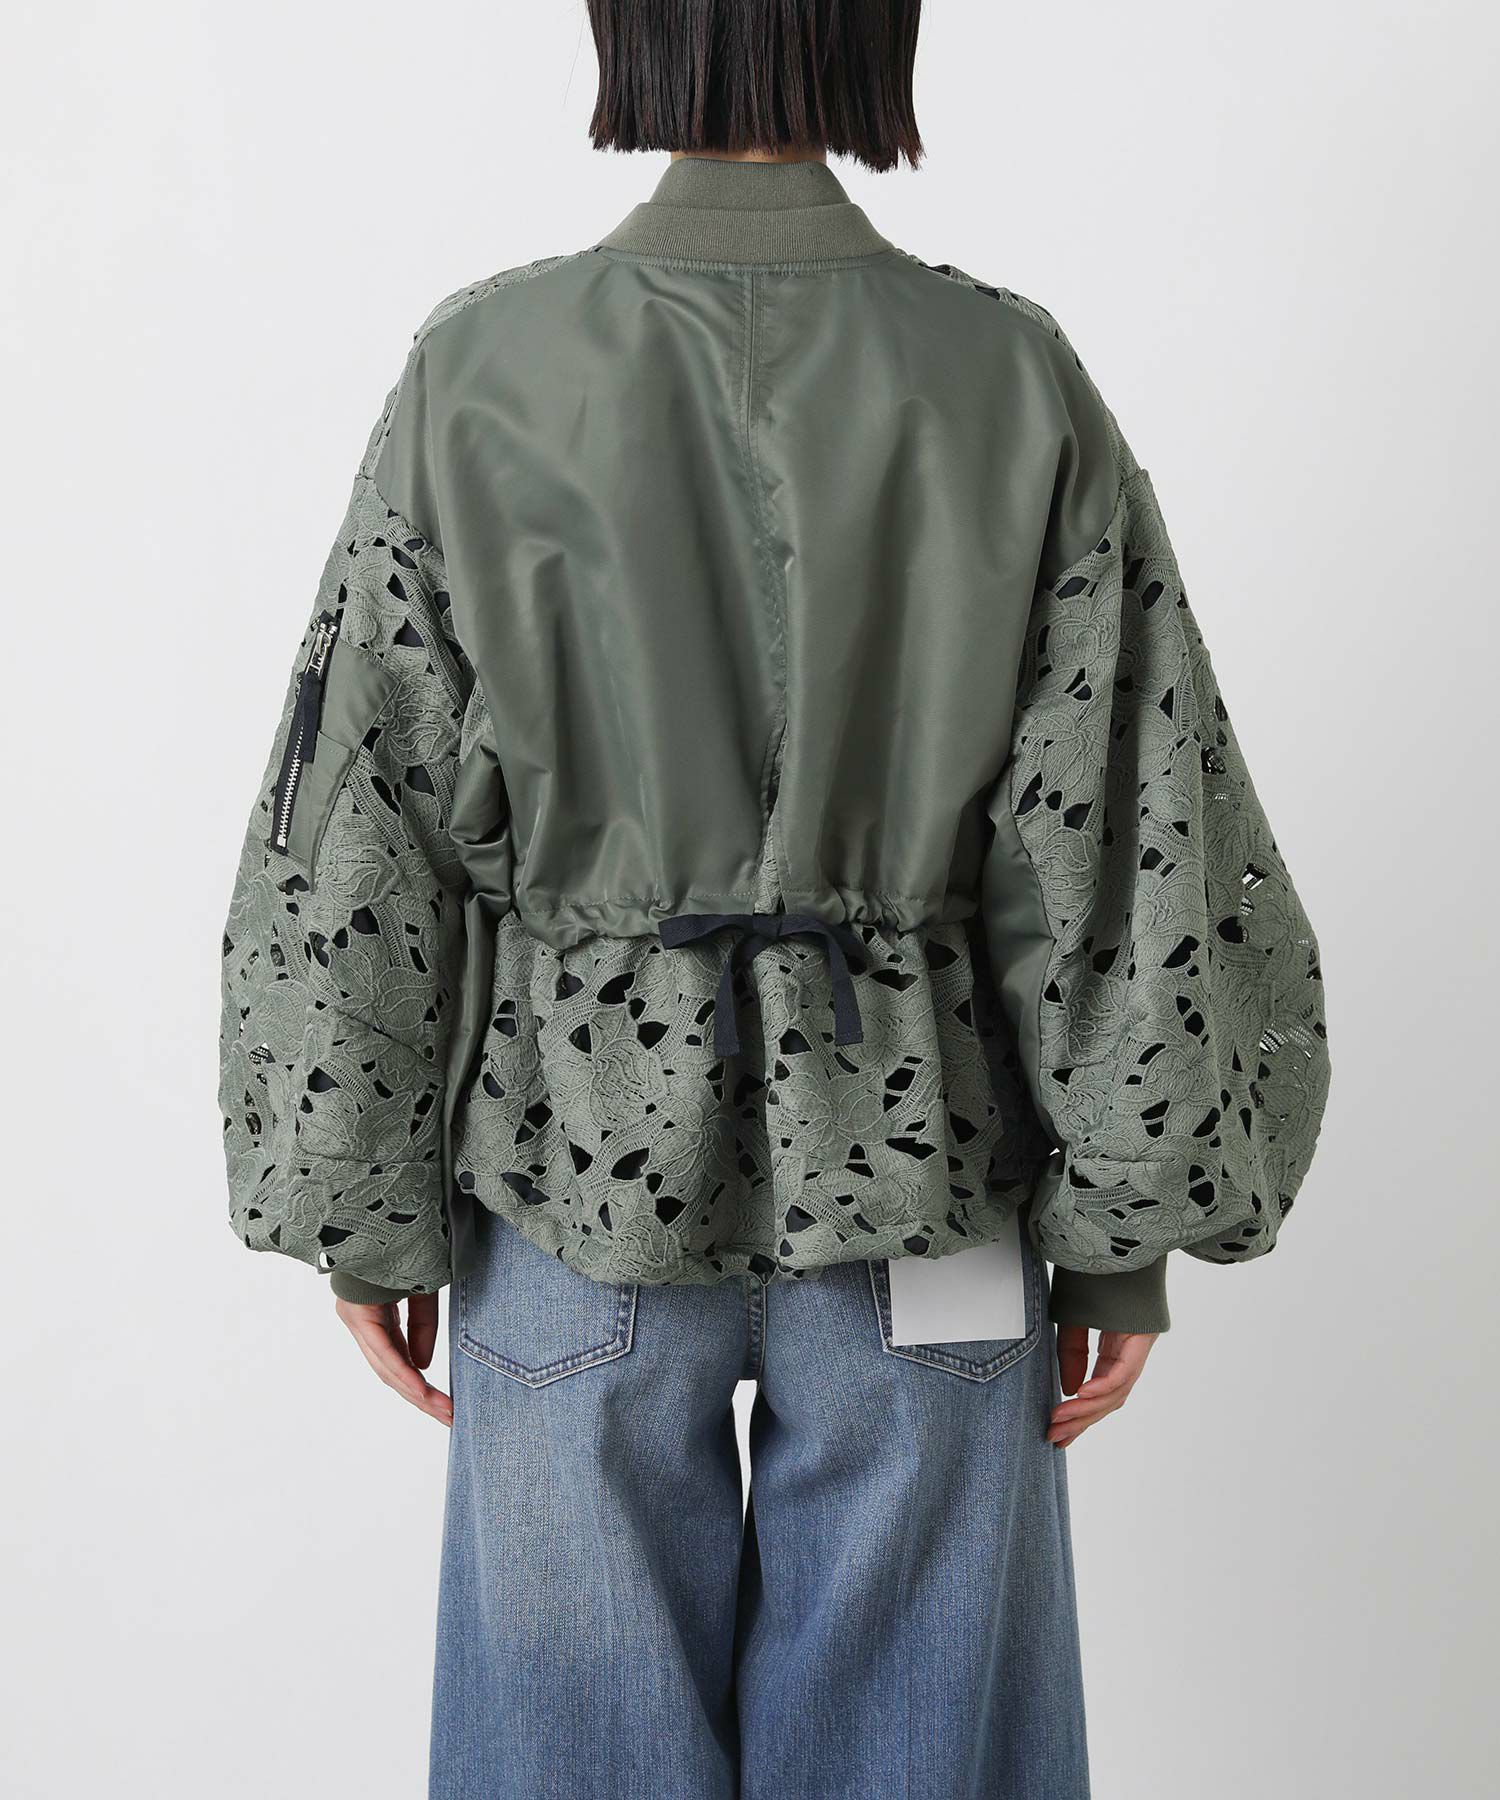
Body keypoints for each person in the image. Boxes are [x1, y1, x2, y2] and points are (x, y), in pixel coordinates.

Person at [217, 2, 1331, 1792]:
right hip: (930, 1186)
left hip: (574, 1180)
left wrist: (366, 1213)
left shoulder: (481, 368)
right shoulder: (1006, 372)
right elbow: (1125, 827)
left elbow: (363, 820)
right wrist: (1122, 1237)